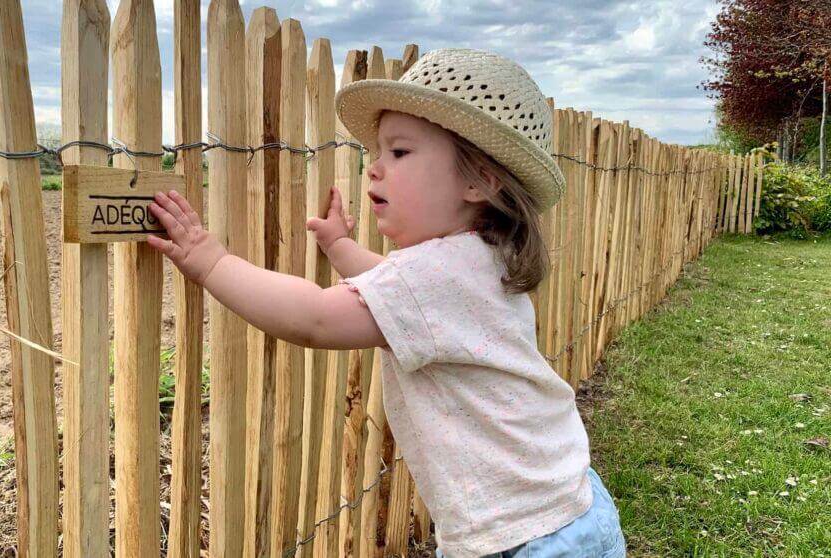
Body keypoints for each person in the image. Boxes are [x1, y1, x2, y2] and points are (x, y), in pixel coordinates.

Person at [146, 47, 626, 558]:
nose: (374, 169)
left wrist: (209, 260)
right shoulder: (483, 258)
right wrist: (340, 247)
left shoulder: (439, 272)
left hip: (524, 537)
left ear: (480, 179)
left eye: (399, 153)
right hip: (567, 505)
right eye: (378, 152)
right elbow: (399, 295)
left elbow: (315, 318)